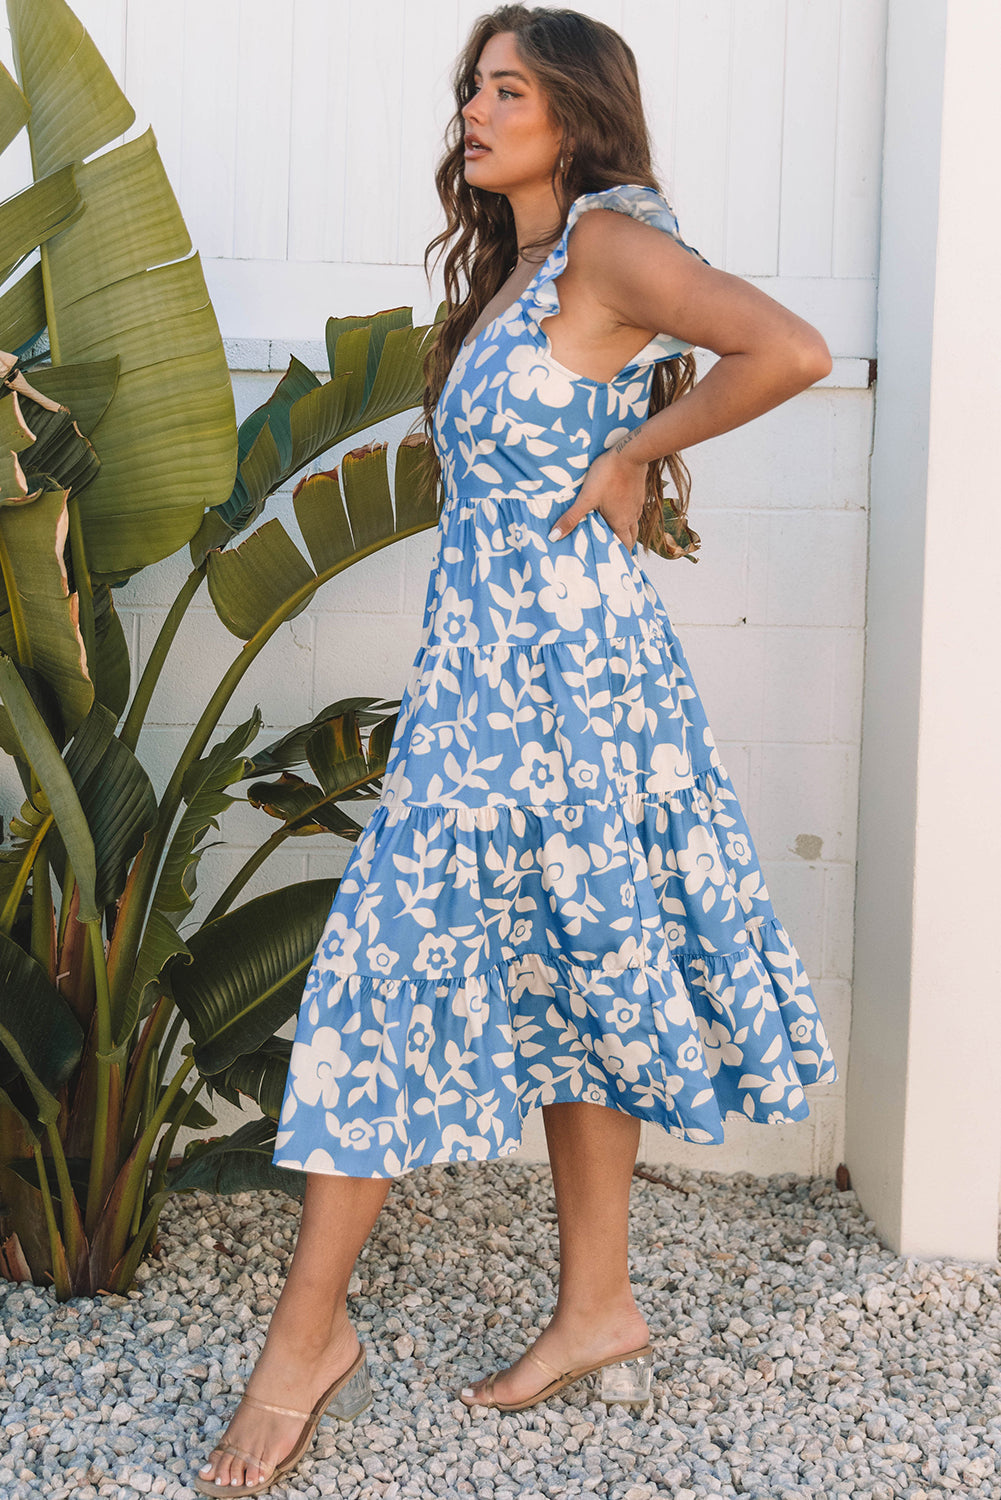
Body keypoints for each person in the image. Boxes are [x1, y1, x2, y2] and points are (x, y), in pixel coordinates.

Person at [193, 5, 838, 1495]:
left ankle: (303, 1343)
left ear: (575, 113)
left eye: (506, 90)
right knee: (575, 963)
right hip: (494, 676)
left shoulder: (609, 239)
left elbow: (792, 349)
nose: (474, 113)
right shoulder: (522, 266)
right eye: (470, 90)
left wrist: (636, 452)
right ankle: (598, 1305)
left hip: (566, 680)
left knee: (379, 974)